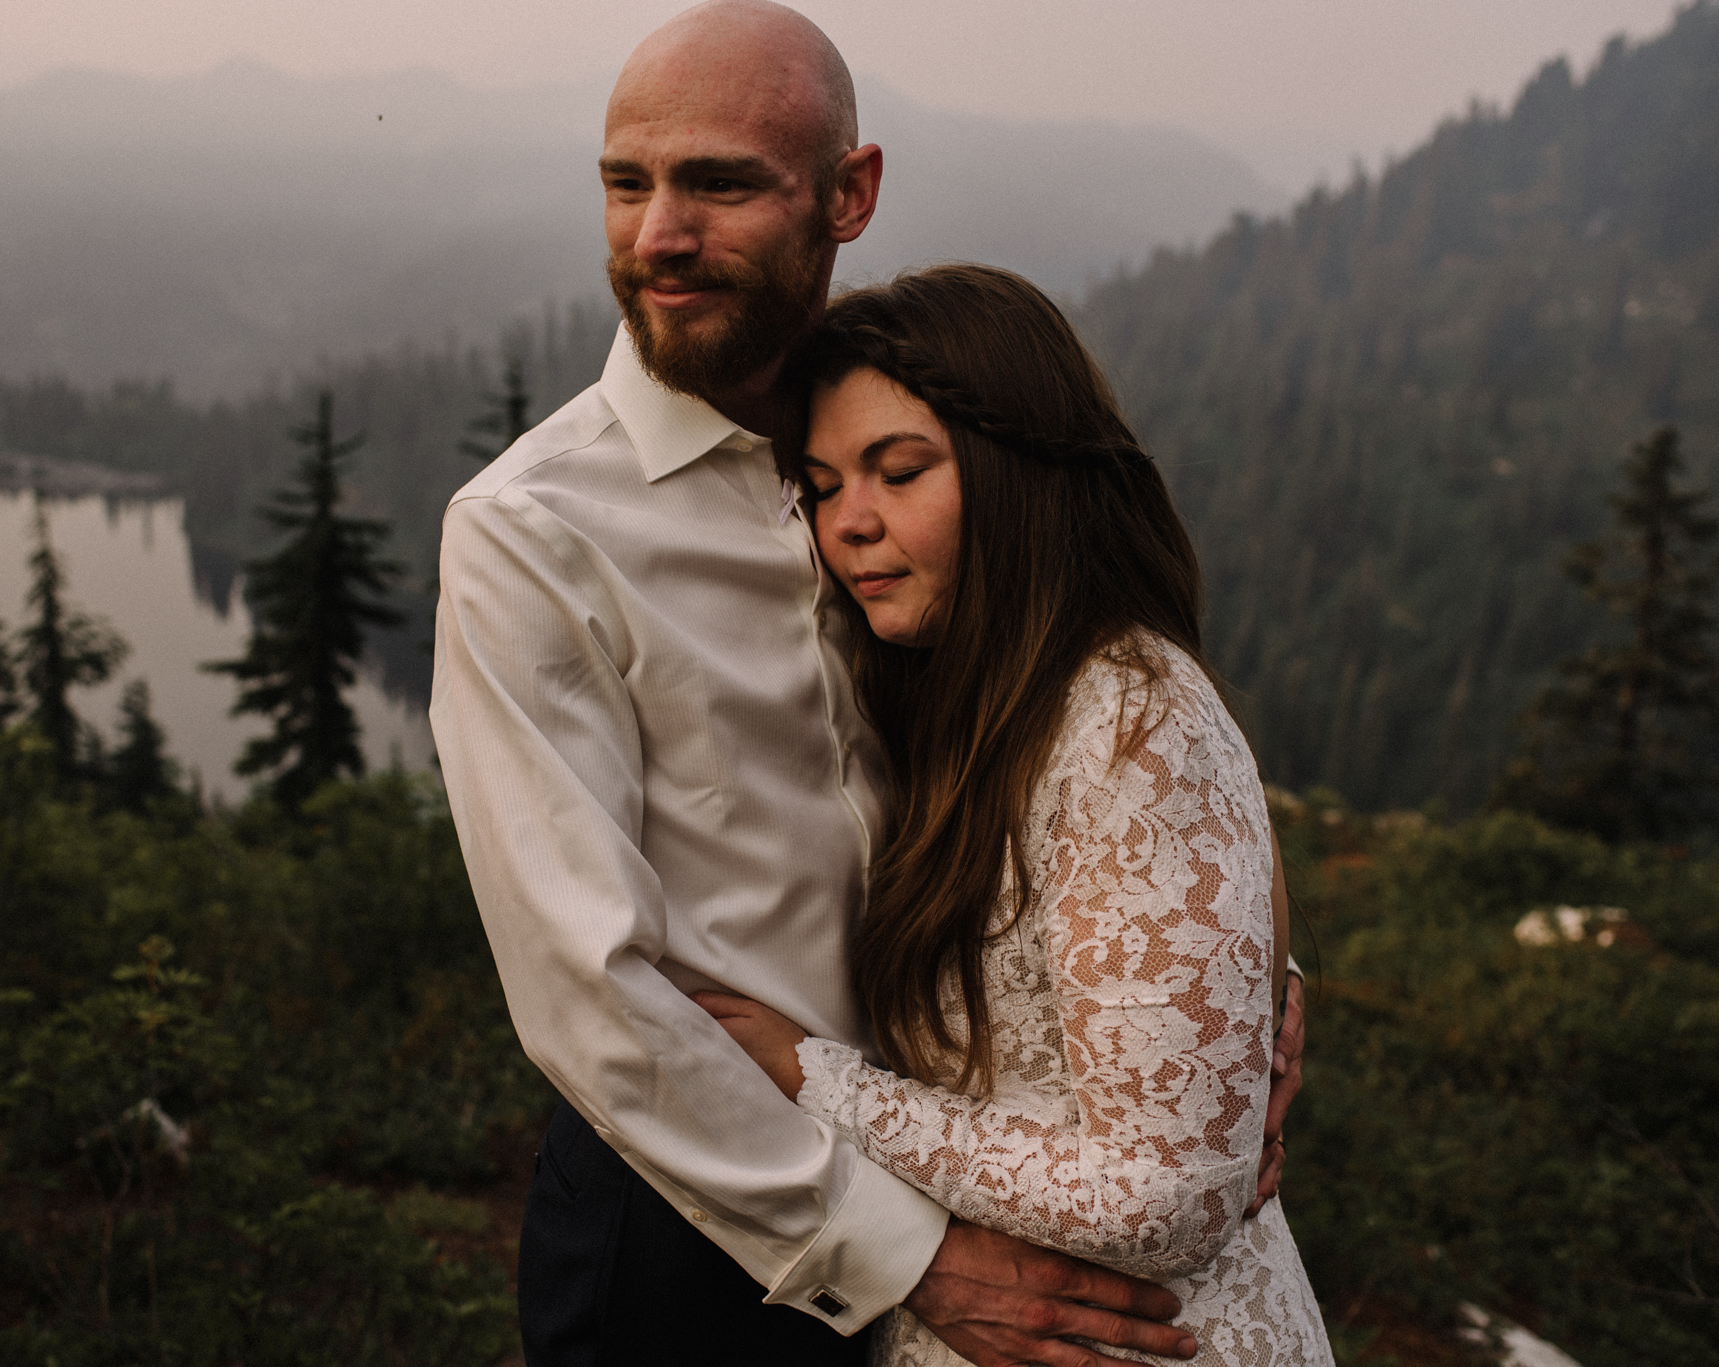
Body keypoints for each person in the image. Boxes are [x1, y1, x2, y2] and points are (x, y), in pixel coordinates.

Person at [429, 3, 1304, 1363]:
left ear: (850, 194)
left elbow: (1081, 757)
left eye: (717, 181)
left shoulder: (945, 460)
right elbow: (588, 989)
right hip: (701, 1226)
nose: (659, 232)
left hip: (990, 1177)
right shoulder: (536, 532)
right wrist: (910, 1251)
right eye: (625, 182)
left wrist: (1238, 1002)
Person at [695, 263, 1332, 1366]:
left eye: (898, 471)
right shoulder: (963, 697)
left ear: (1017, 473)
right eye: (823, 484)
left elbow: (1167, 1194)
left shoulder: (1126, 717)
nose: (850, 523)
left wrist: (816, 1078)